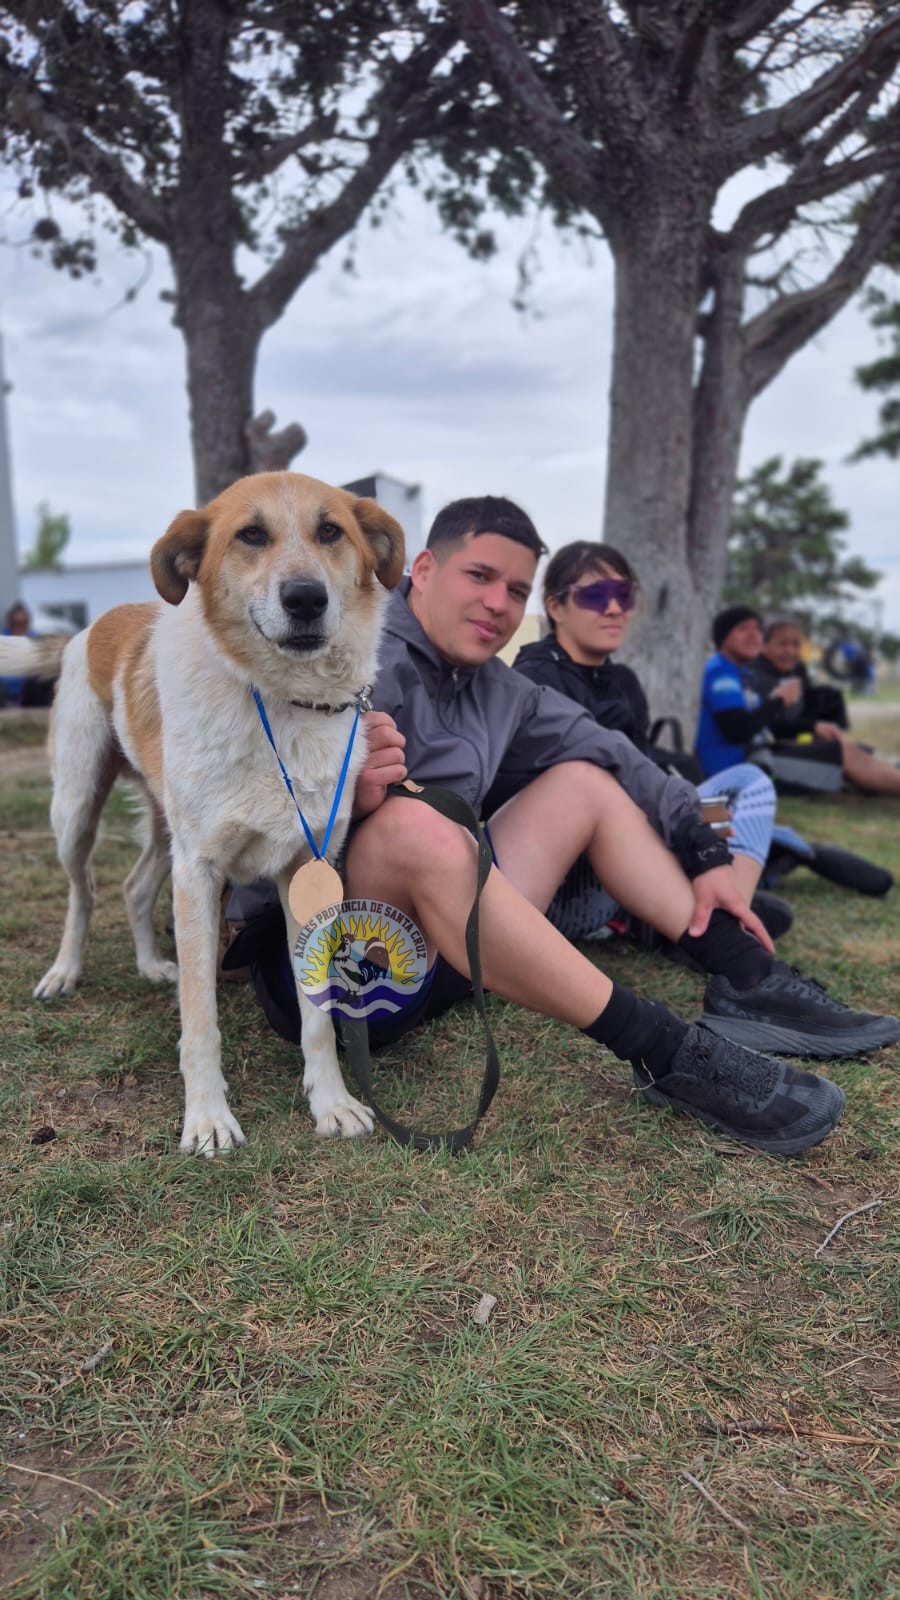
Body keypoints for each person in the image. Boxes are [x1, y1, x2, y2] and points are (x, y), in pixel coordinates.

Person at [237, 497, 899, 1158]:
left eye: (516, 589)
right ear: (426, 568)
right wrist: (342, 796)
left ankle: (741, 970)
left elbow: (621, 754)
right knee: (414, 823)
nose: (500, 602)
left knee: (587, 779)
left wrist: (705, 852)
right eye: (481, 576)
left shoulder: (505, 690)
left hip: (449, 952)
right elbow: (235, 798)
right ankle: (664, 1050)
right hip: (340, 973)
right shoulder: (332, 647)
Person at [511, 541, 782, 934]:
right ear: (556, 608)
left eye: (624, 594)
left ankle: (721, 913)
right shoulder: (536, 679)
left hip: (639, 840)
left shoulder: (623, 681)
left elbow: (647, 774)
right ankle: (713, 927)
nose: (615, 608)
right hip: (570, 875)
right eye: (596, 596)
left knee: (749, 786)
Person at [750, 619, 900, 798]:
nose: (789, 651)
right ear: (763, 645)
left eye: (796, 644)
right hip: (764, 759)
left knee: (855, 749)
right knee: (842, 752)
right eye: (782, 644)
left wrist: (814, 729)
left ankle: (889, 775)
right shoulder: (755, 675)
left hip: (783, 745)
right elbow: (763, 725)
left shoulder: (796, 670)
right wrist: (812, 727)